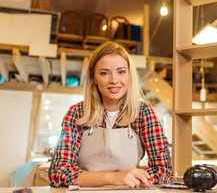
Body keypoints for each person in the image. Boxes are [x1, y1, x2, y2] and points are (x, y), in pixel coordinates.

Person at [49, 40, 172, 188]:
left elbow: (163, 171)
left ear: (129, 76)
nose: (114, 80)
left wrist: (132, 178)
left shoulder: (143, 113)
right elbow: (58, 172)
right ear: (93, 77)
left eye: (121, 72)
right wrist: (113, 178)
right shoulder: (77, 113)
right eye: (104, 73)